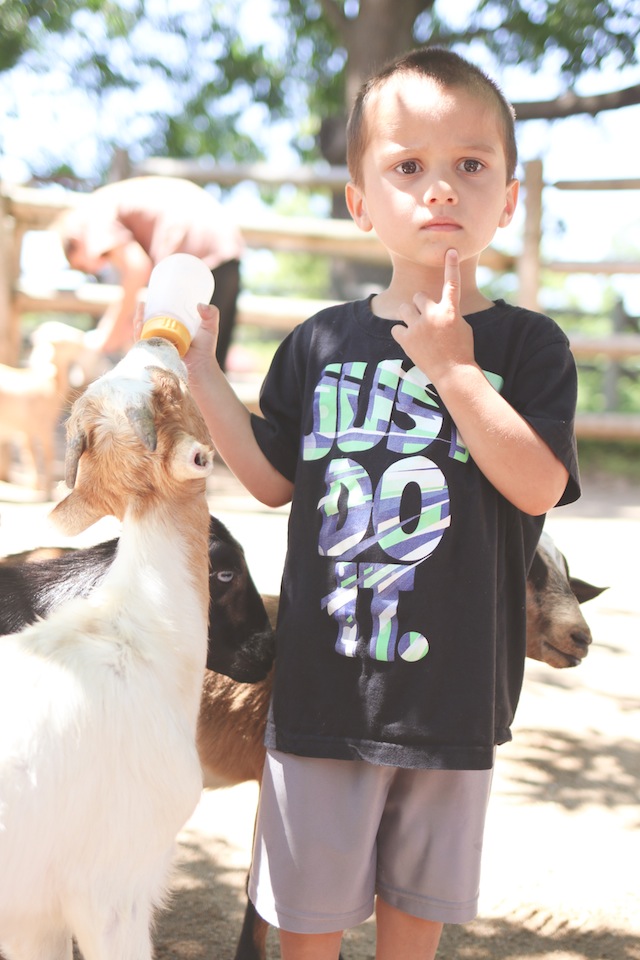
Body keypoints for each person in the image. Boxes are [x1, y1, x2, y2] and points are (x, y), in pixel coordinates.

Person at [181, 47, 581, 960]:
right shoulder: (319, 341)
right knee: (309, 922)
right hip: (321, 690)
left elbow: (538, 483)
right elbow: (274, 478)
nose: (441, 189)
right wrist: (203, 375)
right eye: (408, 167)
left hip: (451, 702)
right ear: (360, 200)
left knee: (412, 922)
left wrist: (453, 369)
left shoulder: (529, 346)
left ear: (508, 198)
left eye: (471, 166)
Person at [57, 176, 244, 369]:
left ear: (76, 240)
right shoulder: (115, 198)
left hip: (193, 255)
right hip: (225, 249)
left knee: (181, 368)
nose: (94, 268)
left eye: (82, 266)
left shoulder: (92, 215)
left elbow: (137, 268)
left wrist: (104, 337)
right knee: (209, 365)